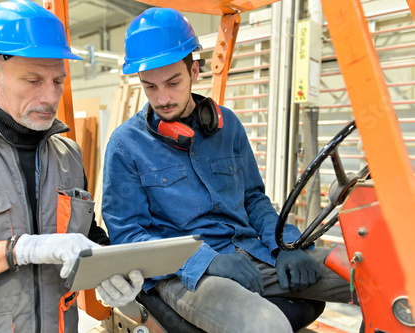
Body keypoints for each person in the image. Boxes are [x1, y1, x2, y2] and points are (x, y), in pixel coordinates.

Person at [102, 7, 355, 333]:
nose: (162, 98)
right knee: (265, 325)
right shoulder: (125, 145)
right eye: (150, 87)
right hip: (186, 276)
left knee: (377, 273)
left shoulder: (228, 126)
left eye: (172, 82)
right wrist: (206, 260)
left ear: (194, 71)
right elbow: (128, 236)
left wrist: (286, 246)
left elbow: (254, 199)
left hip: (256, 253)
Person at [0, 1, 143, 332]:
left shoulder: (69, 156)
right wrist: (18, 250)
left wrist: (112, 276)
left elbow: (87, 237)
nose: (50, 97)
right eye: (33, 80)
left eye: (58, 81)